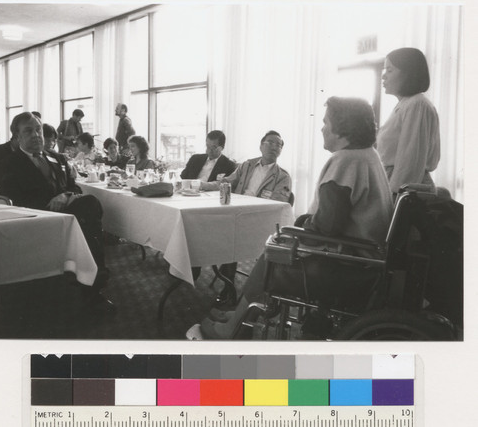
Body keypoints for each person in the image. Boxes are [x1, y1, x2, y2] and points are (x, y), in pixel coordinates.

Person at [187, 97, 393, 340]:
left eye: (326, 122)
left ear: (342, 128)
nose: (322, 127)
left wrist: (300, 226)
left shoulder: (345, 160)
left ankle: (234, 325)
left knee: (271, 252)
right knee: (275, 245)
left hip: (344, 263)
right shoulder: (368, 155)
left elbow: (327, 226)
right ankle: (239, 314)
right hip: (364, 259)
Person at [0, 112, 113, 310]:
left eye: (38, 130)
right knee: (89, 210)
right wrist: (51, 202)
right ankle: (91, 277)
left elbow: (74, 188)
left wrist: (65, 196)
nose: (36, 135)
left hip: (68, 214)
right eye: (28, 131)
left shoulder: (57, 158)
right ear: (17, 138)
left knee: (89, 205)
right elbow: (12, 200)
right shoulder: (10, 163)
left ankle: (94, 280)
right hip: (37, 217)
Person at [201, 130, 292, 302]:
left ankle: (228, 285)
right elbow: (226, 182)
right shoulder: (247, 165)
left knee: (231, 236)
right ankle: (209, 269)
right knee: (208, 225)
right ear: (260, 145)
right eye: (270, 142)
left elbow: (277, 204)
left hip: (259, 219)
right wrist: (202, 185)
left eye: (278, 144)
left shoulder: (282, 176)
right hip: (237, 212)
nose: (274, 146)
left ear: (281, 150)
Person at [377, 47, 440, 195]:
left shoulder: (416, 104)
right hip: (395, 184)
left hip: (405, 191)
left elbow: (410, 161)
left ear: (408, 73)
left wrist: (394, 196)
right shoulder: (405, 104)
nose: (383, 76)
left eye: (390, 70)